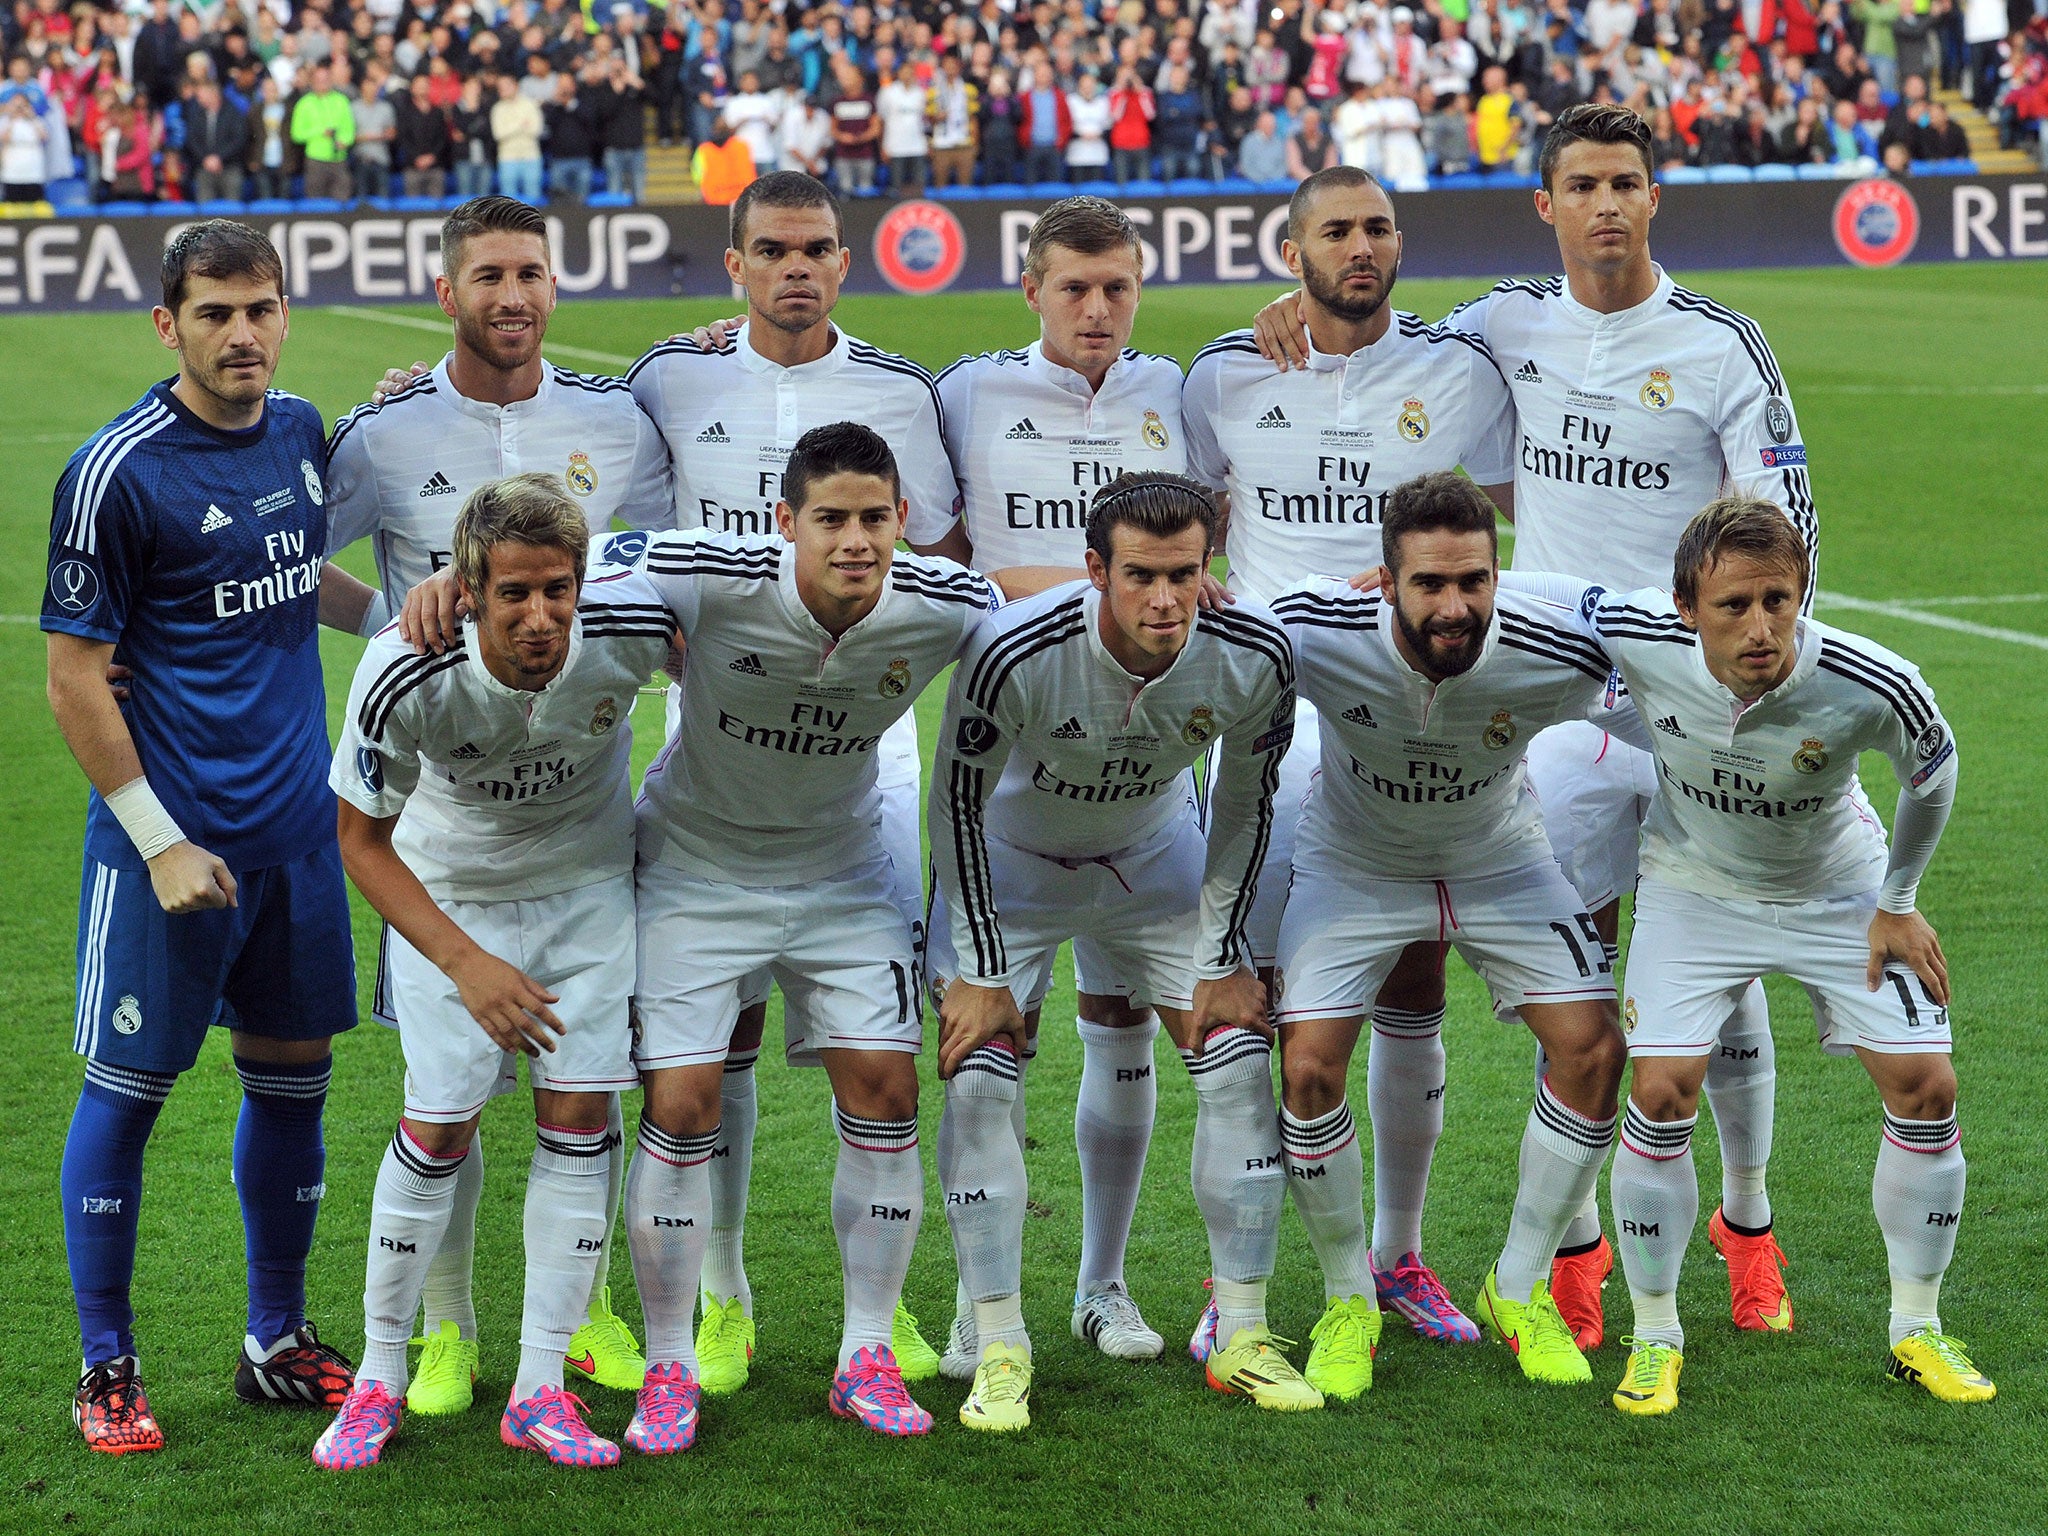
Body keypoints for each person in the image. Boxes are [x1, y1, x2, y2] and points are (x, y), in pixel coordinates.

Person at [1251, 103, 1824, 1353]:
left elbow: (1788, 531)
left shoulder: (1724, 346)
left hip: (1684, 700)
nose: (1606, 203)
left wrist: (1749, 673)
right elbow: (1384, 343)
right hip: (1561, 707)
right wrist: (1304, 319)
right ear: (1545, 205)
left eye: (1627, 181)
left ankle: (1745, 1226)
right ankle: (1570, 1258)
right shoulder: (1504, 321)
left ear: (1653, 197)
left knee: (1713, 979)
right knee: (1580, 974)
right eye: (1583, 184)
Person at [324, 196, 676, 1416]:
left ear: (554, 284)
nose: (511, 295)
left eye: (530, 271)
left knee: (581, 1101)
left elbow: (665, 563)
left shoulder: (618, 419)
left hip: (577, 811)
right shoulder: (382, 431)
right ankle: (440, 1330)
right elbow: (294, 558)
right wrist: (395, 617)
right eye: (487, 275)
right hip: (445, 807)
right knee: (449, 1098)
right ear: (447, 290)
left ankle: (569, 1330)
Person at [625, 171, 965, 1395]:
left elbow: (948, 552)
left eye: (817, 249)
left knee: (867, 1043)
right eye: (770, 250)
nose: (796, 270)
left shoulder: (901, 392)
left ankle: (884, 1317)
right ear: (733, 264)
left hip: (864, 741)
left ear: (843, 258)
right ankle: (722, 1295)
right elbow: (614, 514)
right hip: (718, 725)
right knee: (722, 1037)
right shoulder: (672, 376)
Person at [1557, 498, 1993, 1414]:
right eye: (1733, 607)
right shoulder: (1638, 633)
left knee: (1929, 1086)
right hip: (1694, 888)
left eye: (1779, 601)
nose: (1762, 629)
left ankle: (1916, 1328)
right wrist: (1385, 583)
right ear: (1685, 608)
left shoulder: (1872, 680)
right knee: (1659, 1088)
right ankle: (1657, 1335)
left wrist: (1898, 901)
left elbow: (1935, 763)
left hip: (1837, 890)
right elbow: (1541, 595)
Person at [45, 221, 368, 1454]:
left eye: (263, 309)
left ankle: (274, 1342)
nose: (243, 333)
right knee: (128, 1094)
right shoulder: (117, 469)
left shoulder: (297, 431)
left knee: (294, 1085)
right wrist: (157, 838)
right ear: (167, 323)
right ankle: (106, 1360)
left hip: (295, 839)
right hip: (170, 851)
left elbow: (299, 572)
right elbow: (77, 677)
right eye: (217, 312)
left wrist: (397, 624)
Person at [1183, 165, 1516, 1350]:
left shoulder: (1461, 370)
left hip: (1402, 712)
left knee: (1413, 983)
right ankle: (1244, 1294)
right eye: (1335, 229)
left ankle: (1397, 1256)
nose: (1360, 246)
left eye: (1377, 226)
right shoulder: (1221, 373)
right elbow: (1190, 522)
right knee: (1253, 1007)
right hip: (1270, 725)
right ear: (1292, 251)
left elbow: (1494, 517)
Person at [927, 474, 1298, 1425]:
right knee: (977, 1077)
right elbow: (956, 805)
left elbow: (1248, 808)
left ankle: (1240, 1332)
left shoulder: (1253, 653)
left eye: (1185, 574)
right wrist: (976, 969)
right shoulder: (1017, 648)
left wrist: (1223, 955)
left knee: (1238, 1061)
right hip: (1012, 868)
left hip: (1151, 858)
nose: (1166, 599)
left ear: (1210, 566)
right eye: (1140, 575)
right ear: (1096, 569)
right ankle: (997, 1335)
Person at [1270, 471, 1635, 1397]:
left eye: (1473, 580)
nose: (1455, 605)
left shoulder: (1555, 652)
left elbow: (1674, 695)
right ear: (1384, 580)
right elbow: (1214, 637)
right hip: (1356, 863)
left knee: (1593, 1050)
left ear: (1497, 573)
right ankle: (1351, 1297)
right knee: (1309, 1066)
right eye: (1429, 583)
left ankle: (1517, 1287)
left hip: (1500, 860)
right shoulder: (1318, 630)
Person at [930, 197, 1190, 1375]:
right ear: (1029, 288)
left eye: (1118, 288)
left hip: (1141, 770)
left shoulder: (1178, 393)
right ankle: (978, 1306)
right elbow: (933, 549)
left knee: (1122, 1021)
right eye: (1074, 287)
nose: (1096, 309)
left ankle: (1103, 1287)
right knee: (987, 1043)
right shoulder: (966, 394)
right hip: (1011, 774)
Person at [291, 60, 353, 199]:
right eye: (319, 80)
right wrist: (320, 131)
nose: (323, 83)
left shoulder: (341, 101)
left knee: (342, 199)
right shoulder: (304, 104)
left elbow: (349, 128)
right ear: (312, 82)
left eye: (326, 79)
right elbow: (297, 134)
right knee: (315, 202)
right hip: (315, 160)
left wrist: (344, 140)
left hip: (339, 158)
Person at [181, 76, 245, 202]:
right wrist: (206, 159)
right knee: (205, 212)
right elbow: (192, 140)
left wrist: (219, 158)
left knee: (232, 211)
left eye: (200, 95)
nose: (197, 98)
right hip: (204, 167)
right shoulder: (196, 114)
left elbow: (238, 139)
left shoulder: (233, 112)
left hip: (229, 167)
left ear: (213, 94)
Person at [394, 71, 451, 200]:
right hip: (412, 166)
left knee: (437, 209)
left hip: (435, 166)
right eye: (419, 85)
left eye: (425, 85)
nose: (422, 88)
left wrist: (432, 156)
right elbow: (403, 138)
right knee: (413, 207)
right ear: (412, 88)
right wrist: (416, 158)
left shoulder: (437, 112)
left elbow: (443, 138)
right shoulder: (405, 112)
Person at [490, 72, 544, 205]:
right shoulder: (497, 109)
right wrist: (521, 124)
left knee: (533, 199)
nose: (501, 90)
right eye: (500, 87)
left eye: (505, 86)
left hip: (531, 156)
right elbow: (498, 134)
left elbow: (537, 130)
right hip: (507, 158)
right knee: (508, 203)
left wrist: (510, 127)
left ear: (515, 86)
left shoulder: (530, 104)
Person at [877, 61, 931, 194]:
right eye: (904, 71)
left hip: (918, 147)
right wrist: (882, 146)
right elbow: (881, 120)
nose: (907, 75)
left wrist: (928, 143)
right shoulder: (887, 92)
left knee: (920, 188)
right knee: (896, 189)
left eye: (910, 72)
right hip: (895, 147)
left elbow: (925, 121)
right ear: (898, 73)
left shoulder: (921, 93)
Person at [544, 71, 598, 205]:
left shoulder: (585, 102)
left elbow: (590, 120)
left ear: (574, 86)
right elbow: (548, 122)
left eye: (567, 85)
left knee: (582, 202)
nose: (564, 88)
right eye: (561, 85)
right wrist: (557, 103)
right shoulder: (553, 106)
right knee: (559, 202)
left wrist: (570, 104)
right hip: (559, 160)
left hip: (582, 159)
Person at [928, 53, 979, 188]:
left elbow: (973, 118)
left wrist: (975, 143)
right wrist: (936, 118)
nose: (950, 68)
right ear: (942, 68)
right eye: (947, 65)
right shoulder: (933, 91)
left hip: (964, 143)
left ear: (959, 68)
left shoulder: (969, 90)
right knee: (940, 185)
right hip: (941, 144)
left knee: (965, 185)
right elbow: (928, 119)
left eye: (953, 65)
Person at [1236, 109, 1288, 179]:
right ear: (1259, 124)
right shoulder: (1248, 141)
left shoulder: (1279, 142)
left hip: (1275, 184)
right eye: (1267, 123)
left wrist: (1274, 179)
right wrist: (1260, 180)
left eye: (1272, 124)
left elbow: (1283, 165)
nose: (1270, 126)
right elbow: (1246, 165)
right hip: (1253, 184)